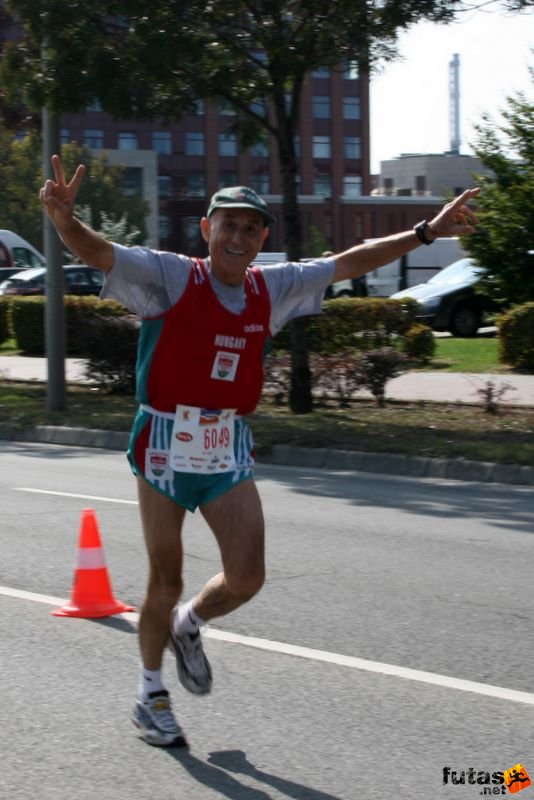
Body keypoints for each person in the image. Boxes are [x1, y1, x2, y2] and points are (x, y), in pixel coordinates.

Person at [40, 155, 479, 748]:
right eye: (229, 224)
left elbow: (351, 259)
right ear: (208, 229)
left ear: (261, 238)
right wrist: (66, 223)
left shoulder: (270, 288)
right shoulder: (171, 276)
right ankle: (151, 694)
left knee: (246, 577)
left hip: (226, 444)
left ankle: (189, 625)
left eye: (250, 228)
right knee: (163, 579)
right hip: (165, 442)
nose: (239, 236)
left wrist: (425, 233)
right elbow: (101, 253)